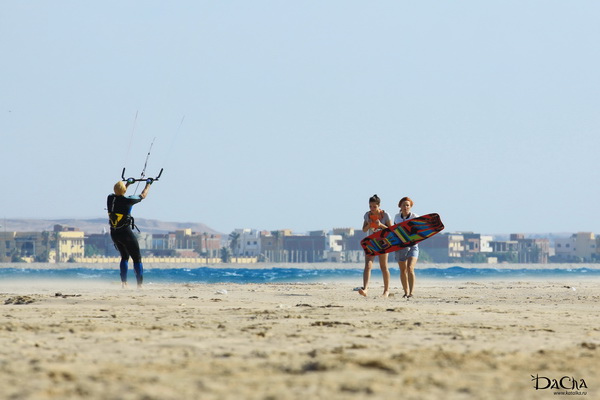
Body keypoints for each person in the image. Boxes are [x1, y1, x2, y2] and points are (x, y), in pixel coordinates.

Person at [107, 178, 152, 288]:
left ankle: (124, 283)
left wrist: (128, 183)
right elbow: (142, 196)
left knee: (124, 257)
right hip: (126, 234)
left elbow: (120, 193)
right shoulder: (128, 201)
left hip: (114, 234)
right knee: (137, 258)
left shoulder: (110, 198)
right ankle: (139, 285)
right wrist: (148, 184)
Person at [359, 194, 392, 298]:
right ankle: (365, 289)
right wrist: (369, 224)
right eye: (370, 206)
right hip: (371, 242)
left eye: (374, 206)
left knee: (383, 266)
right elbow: (364, 230)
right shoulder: (367, 215)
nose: (372, 209)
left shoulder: (385, 215)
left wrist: (380, 225)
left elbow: (391, 230)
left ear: (379, 206)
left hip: (383, 242)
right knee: (368, 265)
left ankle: (386, 291)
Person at [394, 197, 419, 298]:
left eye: (407, 205)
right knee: (403, 270)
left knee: (410, 268)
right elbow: (394, 231)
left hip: (413, 245)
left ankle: (411, 293)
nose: (405, 207)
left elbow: (419, 231)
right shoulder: (397, 217)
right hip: (400, 246)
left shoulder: (415, 217)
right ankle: (406, 292)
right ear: (400, 206)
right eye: (404, 205)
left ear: (410, 206)